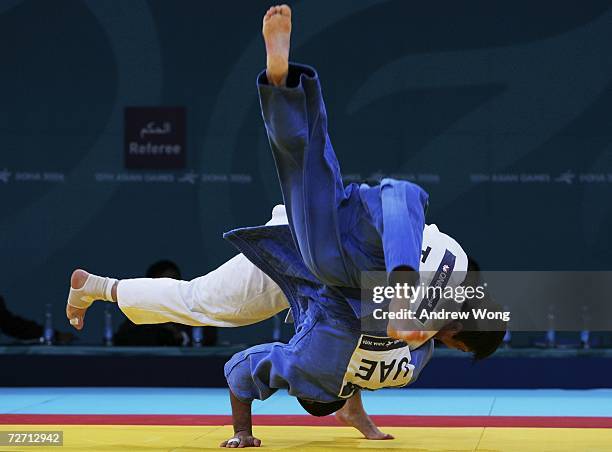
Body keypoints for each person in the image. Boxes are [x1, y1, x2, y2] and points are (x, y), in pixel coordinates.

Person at [65, 5, 504, 447]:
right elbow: (374, 323)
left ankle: (284, 89)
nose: (445, 345)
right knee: (207, 300)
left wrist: (364, 421)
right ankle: (99, 287)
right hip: (327, 262)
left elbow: (349, 366)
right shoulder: (437, 301)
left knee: (307, 178)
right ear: (462, 328)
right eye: (457, 344)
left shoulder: (446, 280)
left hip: (323, 248)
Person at [113, 260, 217, 346]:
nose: (170, 288)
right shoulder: (140, 313)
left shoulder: (193, 309)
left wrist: (182, 335)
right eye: (164, 284)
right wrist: (162, 331)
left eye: (175, 282)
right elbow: (121, 339)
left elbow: (208, 338)